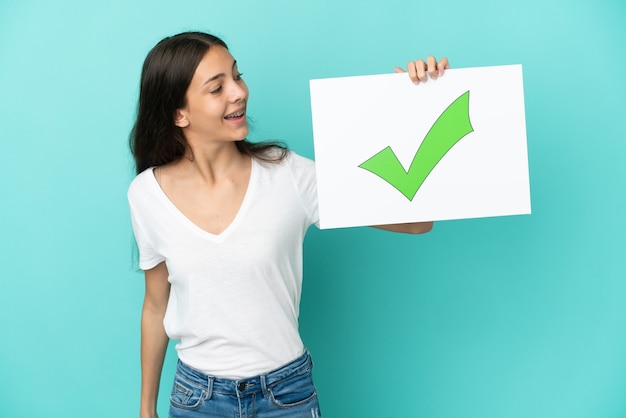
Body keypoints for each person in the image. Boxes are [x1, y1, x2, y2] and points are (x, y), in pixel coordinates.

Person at [128, 31, 449, 418]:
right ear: (180, 114)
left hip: (285, 397)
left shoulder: (289, 176)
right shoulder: (147, 194)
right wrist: (146, 408)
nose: (238, 92)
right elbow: (155, 305)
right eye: (217, 88)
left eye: (237, 75)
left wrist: (421, 104)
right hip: (197, 400)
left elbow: (417, 223)